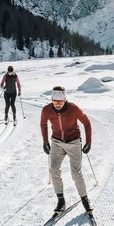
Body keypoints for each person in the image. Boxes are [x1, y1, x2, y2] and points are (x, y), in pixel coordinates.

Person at [40, 86, 93, 214]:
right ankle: (61, 200)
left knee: (75, 172)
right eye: (55, 101)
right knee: (53, 169)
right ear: (52, 99)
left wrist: (88, 142)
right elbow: (43, 124)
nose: (57, 104)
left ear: (65, 100)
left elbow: (86, 123)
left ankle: (85, 199)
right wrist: (45, 142)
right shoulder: (46, 110)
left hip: (74, 142)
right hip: (57, 142)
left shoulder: (73, 109)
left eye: (60, 102)